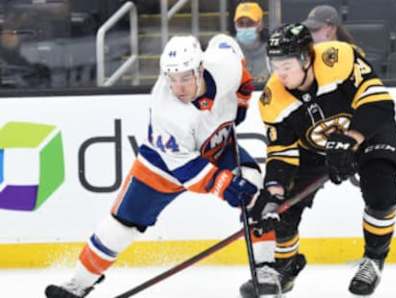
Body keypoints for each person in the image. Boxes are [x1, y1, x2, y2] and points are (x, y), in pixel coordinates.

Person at [44, 34, 262, 298]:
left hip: (219, 143)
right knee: (119, 227)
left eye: (185, 77)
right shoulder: (166, 111)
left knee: (255, 189)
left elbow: (232, 54)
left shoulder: (223, 65)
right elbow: (189, 174)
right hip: (163, 165)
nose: (178, 87)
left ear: (200, 70)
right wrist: (226, 187)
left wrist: (240, 104)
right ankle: (78, 284)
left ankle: (268, 270)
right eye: (172, 79)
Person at [240, 23, 396, 297]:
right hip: (313, 148)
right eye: (275, 65)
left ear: (305, 58)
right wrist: (274, 193)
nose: (280, 73)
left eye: (287, 65)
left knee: (381, 189)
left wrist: (351, 138)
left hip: (366, 129)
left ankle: (373, 260)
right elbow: (282, 152)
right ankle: (286, 266)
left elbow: (379, 103)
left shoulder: (339, 58)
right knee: (283, 209)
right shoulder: (271, 99)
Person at [234, 2, 270, 84]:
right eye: (241, 23)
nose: (245, 27)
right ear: (235, 25)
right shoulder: (229, 50)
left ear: (260, 24)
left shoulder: (271, 50)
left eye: (250, 23)